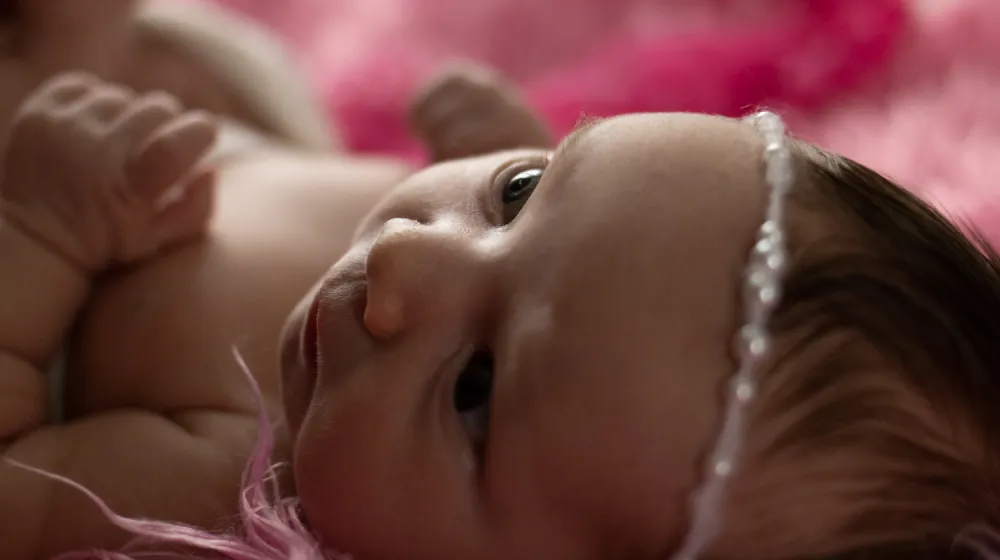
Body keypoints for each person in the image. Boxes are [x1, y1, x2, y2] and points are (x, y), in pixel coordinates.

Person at [5, 8, 1000, 560]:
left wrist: (39, 230)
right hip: (228, 137)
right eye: (521, 192)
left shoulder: (215, 485)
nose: (406, 259)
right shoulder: (537, 295)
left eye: (473, 388)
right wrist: (494, 144)